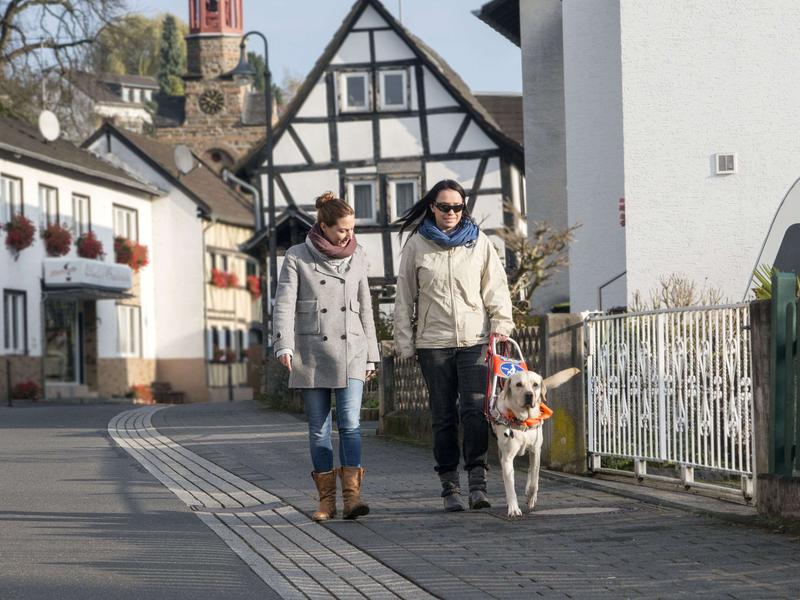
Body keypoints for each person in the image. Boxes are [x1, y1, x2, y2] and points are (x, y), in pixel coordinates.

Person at [393, 179, 514, 512]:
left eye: (457, 207)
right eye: (444, 207)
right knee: (444, 416)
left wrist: (502, 326)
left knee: (475, 412)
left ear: (464, 208)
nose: (451, 213)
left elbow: (496, 289)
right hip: (434, 344)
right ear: (433, 206)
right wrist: (404, 341)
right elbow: (404, 297)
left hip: (475, 341)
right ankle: (449, 486)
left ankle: (478, 483)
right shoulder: (416, 245)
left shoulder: (480, 244)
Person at [273, 191, 379, 521]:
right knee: (318, 428)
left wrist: (372, 355)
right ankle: (326, 501)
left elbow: (366, 307)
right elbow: (284, 304)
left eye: (351, 229)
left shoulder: (358, 255)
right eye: (342, 230)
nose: (349, 235)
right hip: (312, 350)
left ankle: (352, 497)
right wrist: (283, 345)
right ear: (324, 226)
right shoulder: (297, 256)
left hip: (352, 350)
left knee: (350, 424)